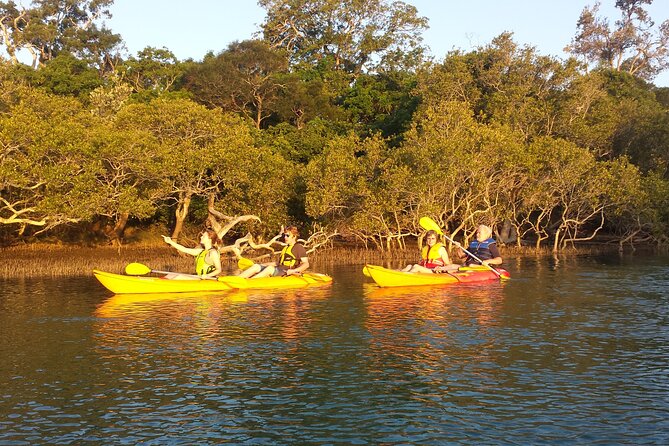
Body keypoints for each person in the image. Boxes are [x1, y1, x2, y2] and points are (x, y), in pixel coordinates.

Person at [239, 226, 310, 278]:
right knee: (256, 266)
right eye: (284, 235)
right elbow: (278, 263)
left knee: (269, 269)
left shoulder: (298, 247)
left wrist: (293, 271)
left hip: (287, 272)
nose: (285, 237)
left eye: (287, 236)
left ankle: (250, 282)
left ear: (294, 237)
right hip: (279, 269)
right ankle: (237, 279)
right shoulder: (286, 248)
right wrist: (262, 264)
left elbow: (306, 264)